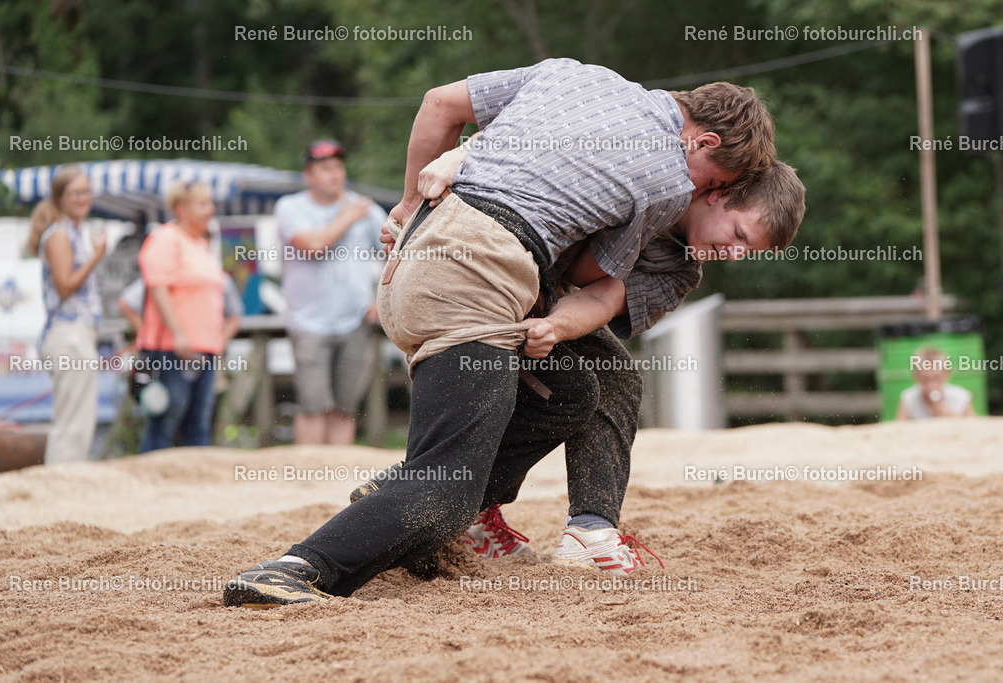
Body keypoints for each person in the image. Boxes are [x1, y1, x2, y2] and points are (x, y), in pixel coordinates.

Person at [224, 57, 779, 607]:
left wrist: (417, 199)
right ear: (702, 146)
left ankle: (432, 502)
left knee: (575, 390)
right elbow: (595, 281)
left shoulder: (579, 77)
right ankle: (300, 567)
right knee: (446, 488)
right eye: (718, 185)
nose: (698, 190)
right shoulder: (666, 180)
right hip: (480, 276)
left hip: (425, 254)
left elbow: (440, 103)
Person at [353, 160, 806, 578]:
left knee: (603, 378)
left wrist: (555, 326)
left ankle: (566, 524)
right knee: (580, 388)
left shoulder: (680, 270)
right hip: (477, 267)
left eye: (750, 252)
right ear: (719, 195)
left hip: (535, 291)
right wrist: (458, 159)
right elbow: (524, 138)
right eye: (741, 236)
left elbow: (603, 299)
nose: (734, 254)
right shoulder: (651, 176)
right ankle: (442, 496)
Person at [275, 139, 386, 445]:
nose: (335, 174)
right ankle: (309, 480)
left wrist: (383, 299)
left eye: (338, 166)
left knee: (345, 409)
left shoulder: (367, 210)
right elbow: (312, 246)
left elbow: (397, 254)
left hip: (355, 321)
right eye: (325, 168)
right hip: (308, 322)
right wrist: (347, 217)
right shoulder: (290, 207)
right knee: (312, 408)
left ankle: (337, 482)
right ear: (308, 175)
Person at [137, 181, 226, 452]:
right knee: (165, 419)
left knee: (198, 422)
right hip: (172, 348)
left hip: (204, 347)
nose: (210, 210)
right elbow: (157, 286)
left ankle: (195, 487)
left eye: (210, 203)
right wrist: (178, 333)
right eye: (202, 204)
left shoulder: (200, 244)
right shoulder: (166, 238)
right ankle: (149, 482)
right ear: (181, 209)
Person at [26, 166, 105, 465]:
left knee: (76, 420)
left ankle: (67, 482)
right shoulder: (59, 235)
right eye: (75, 193)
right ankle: (62, 484)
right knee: (72, 423)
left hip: (76, 334)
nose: (83, 198)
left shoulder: (71, 232)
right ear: (60, 197)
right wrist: (97, 257)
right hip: (68, 334)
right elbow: (65, 287)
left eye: (86, 191)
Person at [896, 346, 976, 420]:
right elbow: (899, 428)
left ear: (946, 374)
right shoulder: (908, 399)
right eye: (925, 379)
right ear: (916, 377)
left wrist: (953, 416)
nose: (931, 385)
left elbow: (974, 426)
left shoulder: (960, 397)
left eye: (936, 378)